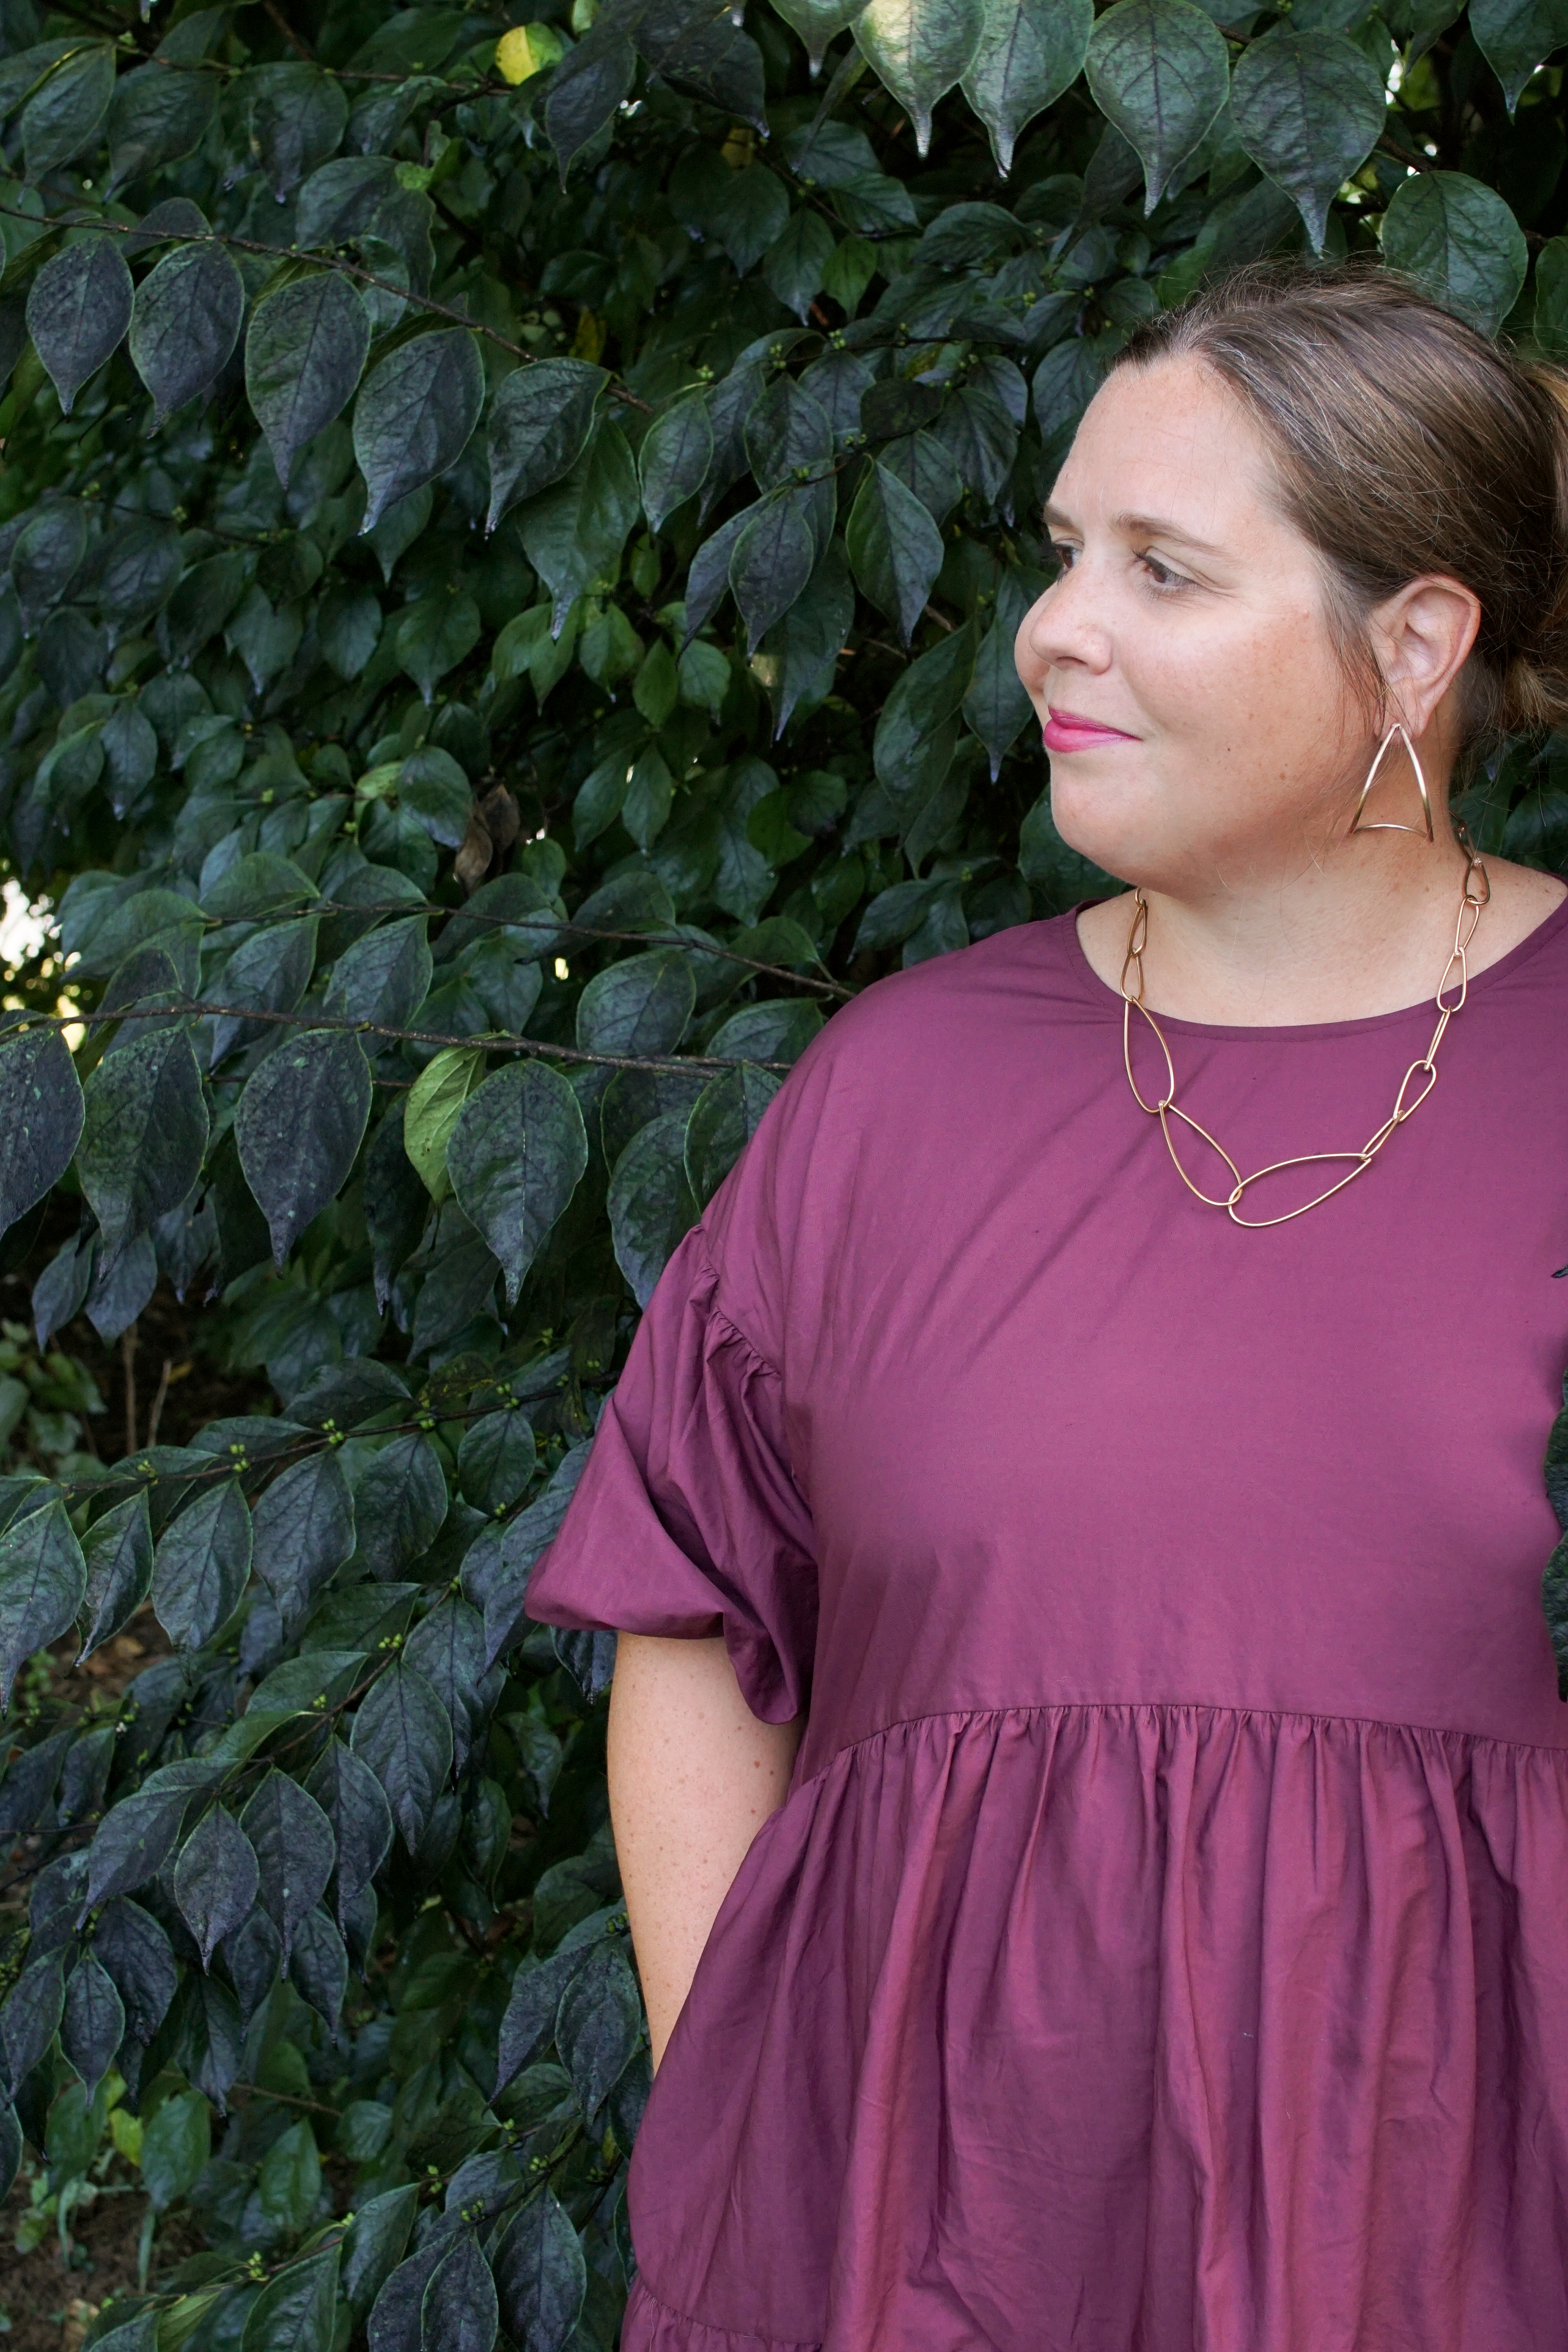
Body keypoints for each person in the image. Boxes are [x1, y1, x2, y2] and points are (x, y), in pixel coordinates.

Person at [522, 258, 1568, 2350]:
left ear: (1416, 647)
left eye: (1165, 570)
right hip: (922, 2266)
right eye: (1064, 551)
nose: (1055, 627)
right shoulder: (898, 1092)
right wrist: (763, 2118)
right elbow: (692, 1609)